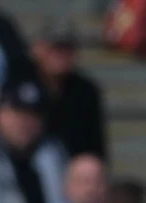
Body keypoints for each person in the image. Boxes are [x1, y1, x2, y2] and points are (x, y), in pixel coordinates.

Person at [29, 18, 105, 161]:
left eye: (68, 48)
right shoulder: (21, 86)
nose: (62, 55)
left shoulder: (86, 91)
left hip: (75, 171)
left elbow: (95, 144)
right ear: (38, 49)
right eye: (56, 48)